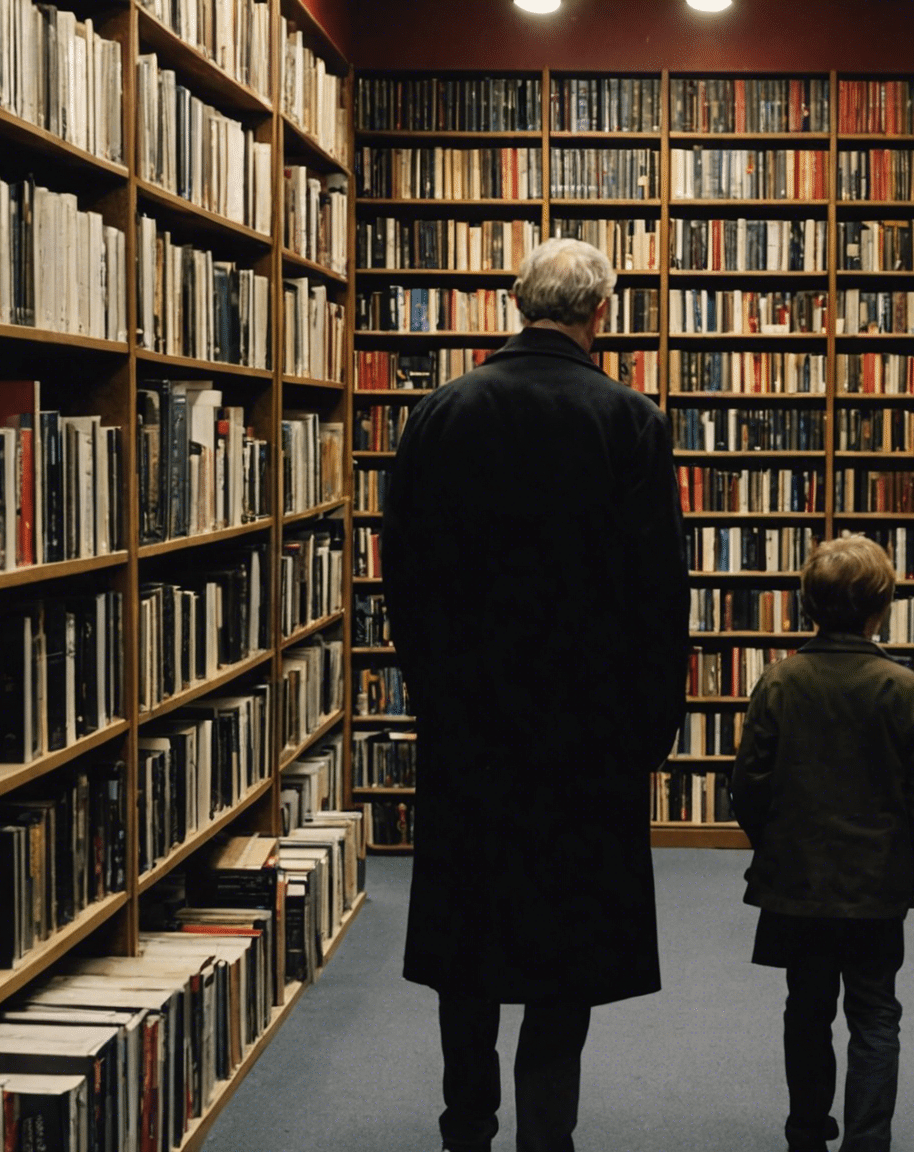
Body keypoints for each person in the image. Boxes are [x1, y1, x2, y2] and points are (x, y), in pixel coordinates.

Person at [386, 237, 689, 1152]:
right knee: (567, 948)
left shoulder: (440, 413)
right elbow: (657, 591)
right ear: (602, 314)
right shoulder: (630, 420)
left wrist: (436, 693)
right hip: (586, 737)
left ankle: (466, 1124)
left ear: (519, 304)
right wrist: (649, 727)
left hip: (470, 730)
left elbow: (403, 574)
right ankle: (545, 1134)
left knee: (468, 944)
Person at [730, 535, 914, 1152]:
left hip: (797, 882)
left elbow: (746, 785)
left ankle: (805, 1131)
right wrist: (911, 874)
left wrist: (773, 847)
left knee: (806, 1007)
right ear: (882, 609)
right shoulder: (902, 687)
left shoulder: (779, 682)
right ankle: (867, 1140)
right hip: (876, 886)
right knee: (876, 1013)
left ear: (808, 606)